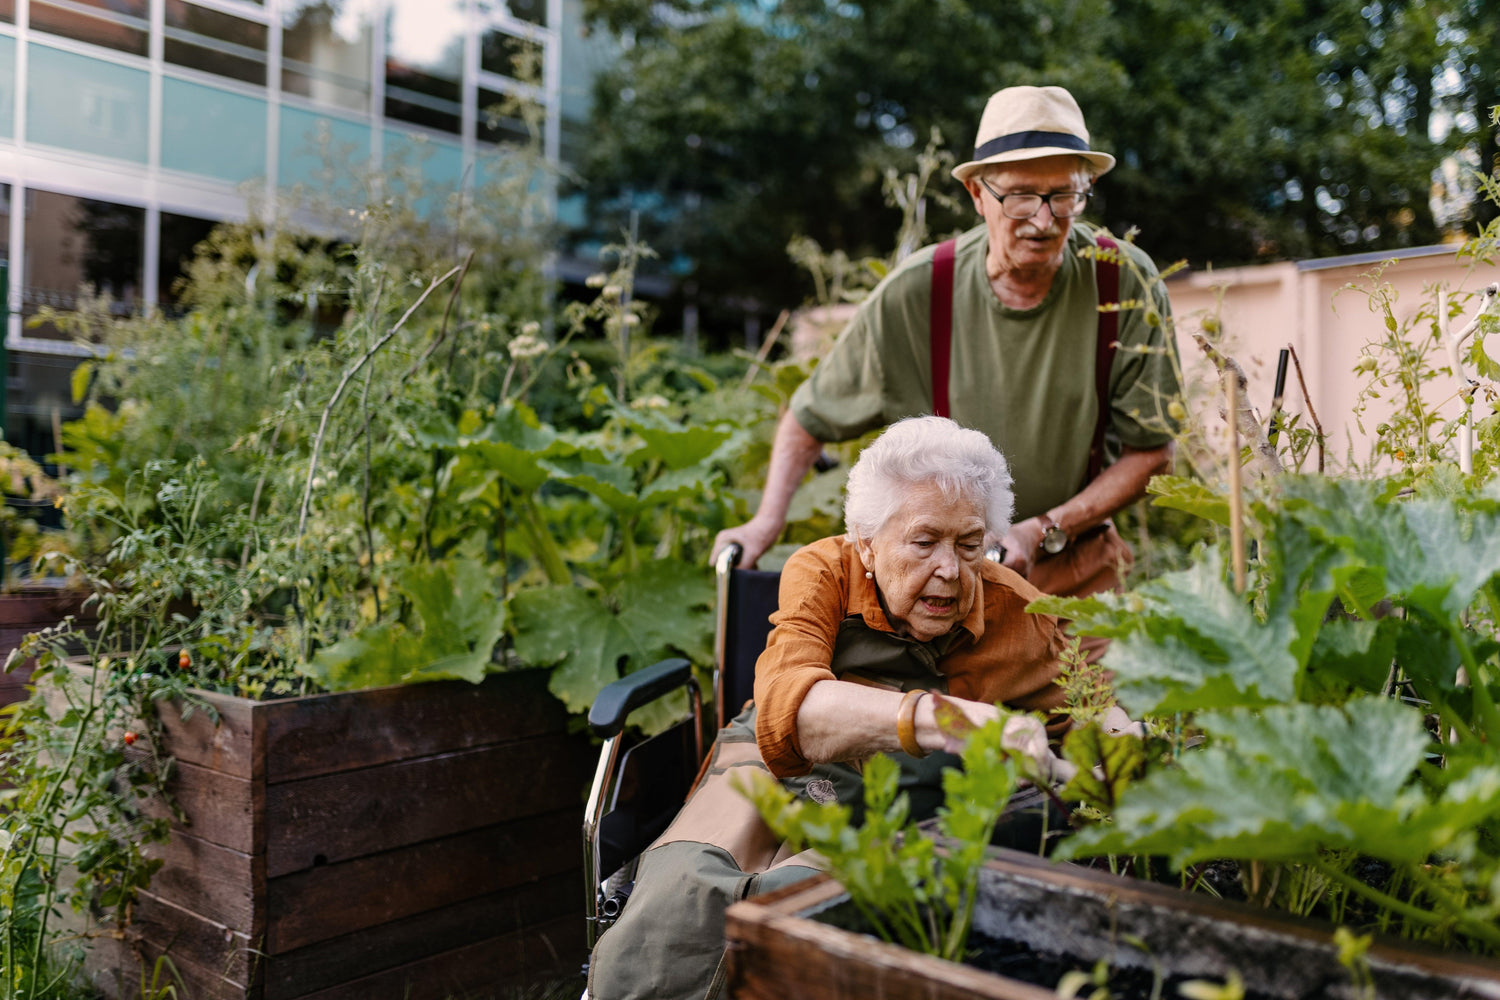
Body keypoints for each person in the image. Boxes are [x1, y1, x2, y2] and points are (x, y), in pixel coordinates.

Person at [588, 416, 1074, 1000]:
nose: (950, 568)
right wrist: (950, 717)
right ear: (866, 543)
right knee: (681, 897)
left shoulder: (1024, 618)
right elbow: (790, 712)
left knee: (800, 906)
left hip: (906, 797)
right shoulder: (824, 570)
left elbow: (1096, 725)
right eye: (924, 542)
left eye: (969, 544)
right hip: (777, 758)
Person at [713, 85, 1180, 593]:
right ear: (979, 194)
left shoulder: (1121, 280)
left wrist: (1046, 528)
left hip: (1074, 564)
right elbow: (808, 419)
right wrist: (765, 522)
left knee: (1103, 676)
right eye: (1021, 196)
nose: (1044, 221)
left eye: (1064, 195)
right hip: (939, 582)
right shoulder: (919, 292)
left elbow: (1152, 452)